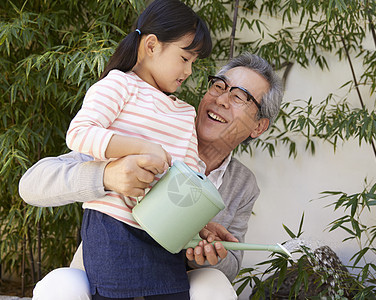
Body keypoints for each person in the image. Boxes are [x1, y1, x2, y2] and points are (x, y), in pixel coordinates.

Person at [19, 53, 283, 299]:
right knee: (58, 285)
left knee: (214, 284)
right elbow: (31, 184)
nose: (221, 100)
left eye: (239, 97)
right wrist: (106, 175)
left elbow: (231, 266)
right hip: (102, 275)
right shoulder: (151, 128)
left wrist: (204, 253)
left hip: (172, 284)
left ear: (259, 127)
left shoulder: (243, 184)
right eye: (219, 86)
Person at [59, 0, 212, 299]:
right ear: (152, 45)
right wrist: (143, 147)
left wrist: (201, 224)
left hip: (164, 235)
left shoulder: (184, 112)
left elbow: (192, 174)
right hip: (113, 228)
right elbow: (79, 133)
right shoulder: (119, 85)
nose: (189, 70)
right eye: (184, 58)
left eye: (194, 62)